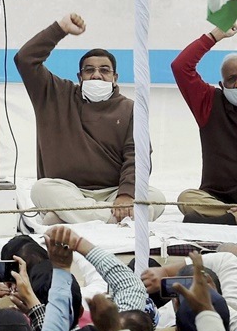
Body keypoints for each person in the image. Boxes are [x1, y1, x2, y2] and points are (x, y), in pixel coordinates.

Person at [16, 13, 165, 224]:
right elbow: (25, 59)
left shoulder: (131, 109)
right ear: (79, 77)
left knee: (156, 198)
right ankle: (115, 222)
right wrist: (60, 29)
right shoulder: (56, 96)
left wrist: (126, 195)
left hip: (115, 193)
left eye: (104, 70)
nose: (96, 75)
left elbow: (138, 156)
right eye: (89, 70)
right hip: (67, 191)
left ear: (115, 78)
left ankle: (72, 218)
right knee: (41, 189)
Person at [171, 23, 237, 224]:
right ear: (221, 85)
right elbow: (181, 67)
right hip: (216, 200)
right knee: (186, 199)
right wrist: (215, 35)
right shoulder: (210, 103)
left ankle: (227, 220)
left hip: (221, 212)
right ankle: (229, 217)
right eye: (233, 79)